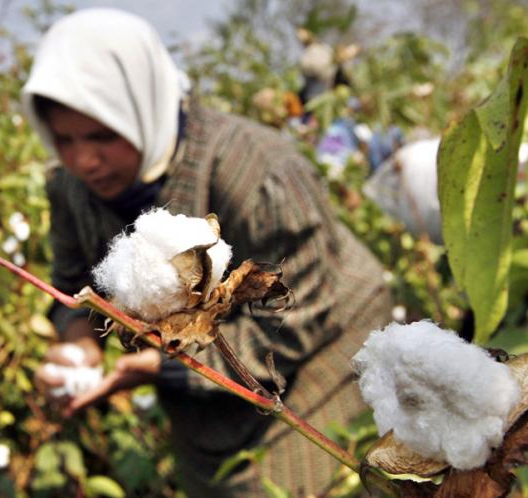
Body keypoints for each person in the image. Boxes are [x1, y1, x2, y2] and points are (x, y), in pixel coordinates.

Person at [22, 9, 393, 497]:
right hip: (198, 361)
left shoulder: (256, 171)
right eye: (64, 140)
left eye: (102, 136)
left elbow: (299, 314)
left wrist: (163, 366)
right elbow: (74, 284)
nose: (84, 160)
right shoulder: (70, 189)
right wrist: (80, 345)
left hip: (323, 341)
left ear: (143, 109)